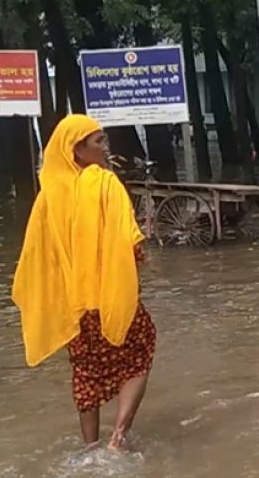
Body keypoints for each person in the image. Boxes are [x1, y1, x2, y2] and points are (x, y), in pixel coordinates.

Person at [12, 114, 154, 451]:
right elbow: (129, 241)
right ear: (76, 150)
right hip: (110, 297)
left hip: (75, 307)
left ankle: (90, 447)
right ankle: (118, 438)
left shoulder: (48, 197)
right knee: (140, 354)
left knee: (86, 373)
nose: (106, 148)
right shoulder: (103, 183)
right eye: (98, 142)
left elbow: (37, 255)